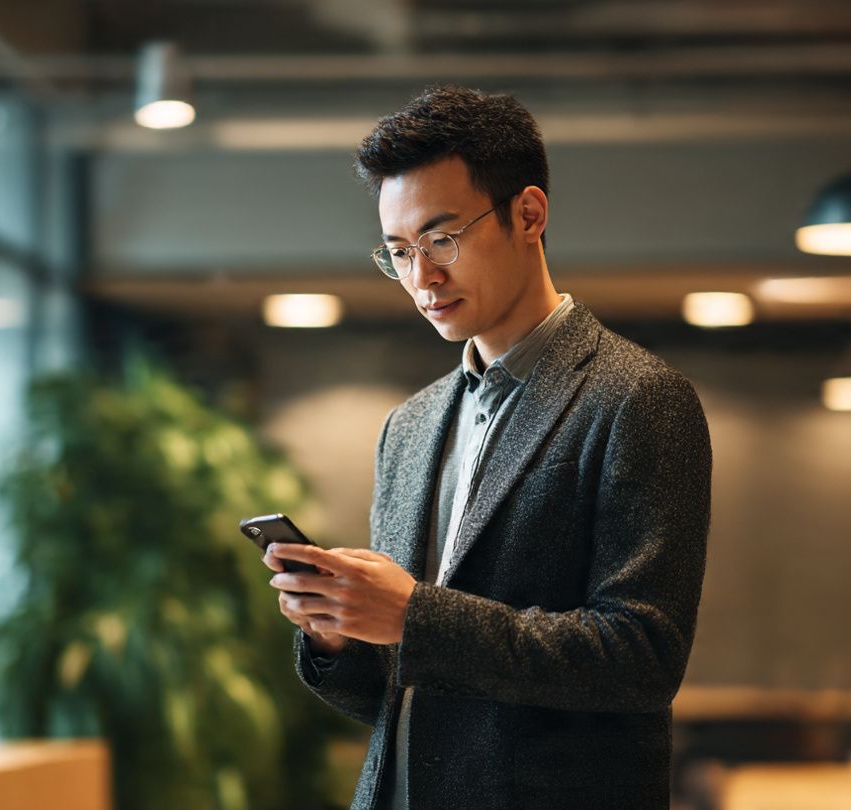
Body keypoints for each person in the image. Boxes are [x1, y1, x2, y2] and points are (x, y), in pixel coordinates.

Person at [262, 85, 712, 810]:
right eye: (399, 251)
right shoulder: (410, 426)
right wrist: (341, 635)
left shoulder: (638, 397)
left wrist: (414, 615)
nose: (421, 277)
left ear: (528, 214)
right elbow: (407, 694)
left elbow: (643, 657)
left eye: (442, 239)